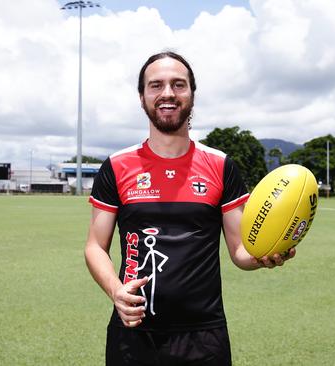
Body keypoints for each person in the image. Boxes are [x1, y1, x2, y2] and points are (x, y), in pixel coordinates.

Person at [85, 51, 295, 366]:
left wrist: (264, 256)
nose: (167, 93)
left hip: (204, 335)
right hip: (134, 332)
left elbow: (239, 252)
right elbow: (95, 246)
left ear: (192, 95)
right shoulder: (117, 166)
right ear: (142, 97)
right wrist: (116, 291)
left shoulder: (221, 165)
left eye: (178, 85)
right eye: (156, 85)